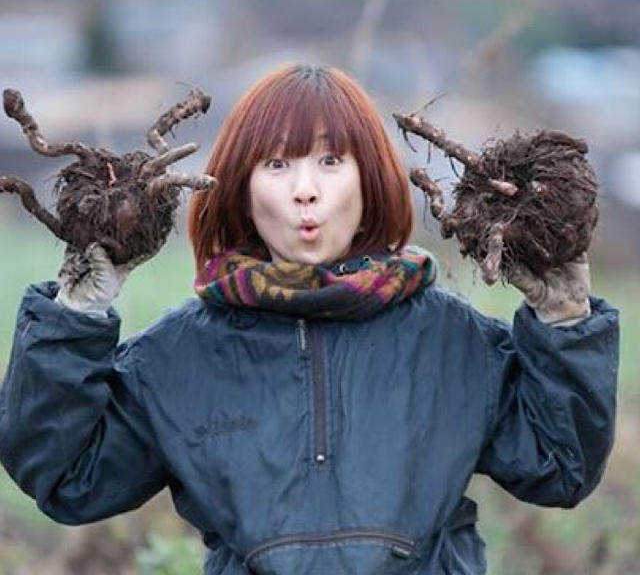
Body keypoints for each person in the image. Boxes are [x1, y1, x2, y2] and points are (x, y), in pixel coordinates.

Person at [0, 64, 619, 575]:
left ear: (369, 180)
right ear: (239, 187)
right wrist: (76, 312)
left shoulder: (453, 342)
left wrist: (564, 319)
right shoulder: (177, 358)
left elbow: (559, 468)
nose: (305, 189)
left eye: (330, 162)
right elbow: (67, 478)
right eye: (276, 165)